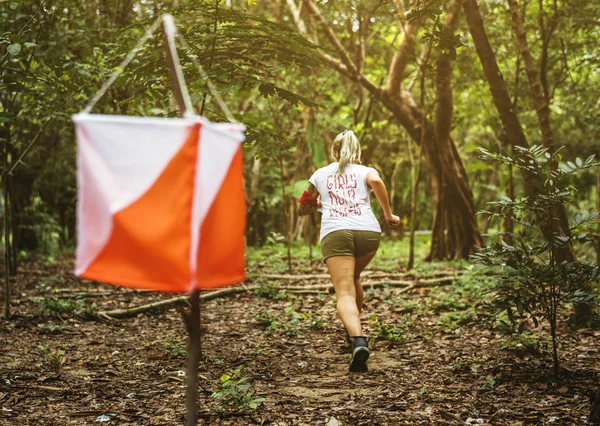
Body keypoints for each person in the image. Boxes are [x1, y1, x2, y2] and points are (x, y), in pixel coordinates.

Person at [297, 129, 400, 373]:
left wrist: (319, 203)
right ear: (358, 152)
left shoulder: (320, 174)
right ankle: (352, 329)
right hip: (368, 233)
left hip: (336, 234)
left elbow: (303, 207)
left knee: (343, 291)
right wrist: (388, 214)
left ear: (334, 151)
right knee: (353, 279)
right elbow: (375, 182)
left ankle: (358, 340)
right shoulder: (366, 170)